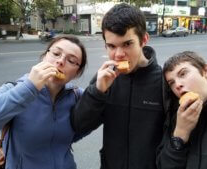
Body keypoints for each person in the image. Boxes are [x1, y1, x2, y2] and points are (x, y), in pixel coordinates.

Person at [71, 3, 170, 169]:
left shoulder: (164, 82)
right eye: (111, 46)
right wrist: (97, 92)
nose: (118, 54)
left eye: (127, 44)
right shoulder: (104, 80)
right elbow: (79, 125)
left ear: (144, 39)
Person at [0, 35, 88, 169]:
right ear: (44, 56)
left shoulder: (77, 96)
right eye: (56, 53)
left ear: (77, 73)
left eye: (71, 60)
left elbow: (85, 126)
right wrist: (28, 88)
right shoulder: (15, 90)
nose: (60, 61)